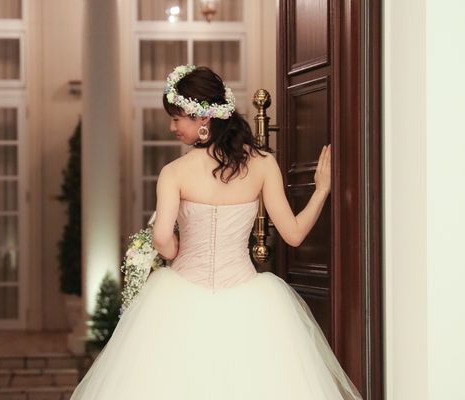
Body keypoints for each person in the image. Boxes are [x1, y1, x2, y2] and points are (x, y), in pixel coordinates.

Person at [70, 65, 362, 399]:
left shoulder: (174, 172)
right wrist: (321, 190)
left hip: (179, 297)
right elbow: (293, 234)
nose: (172, 127)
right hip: (248, 297)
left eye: (177, 118)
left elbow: (162, 240)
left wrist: (175, 249)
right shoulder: (263, 164)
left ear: (204, 118)